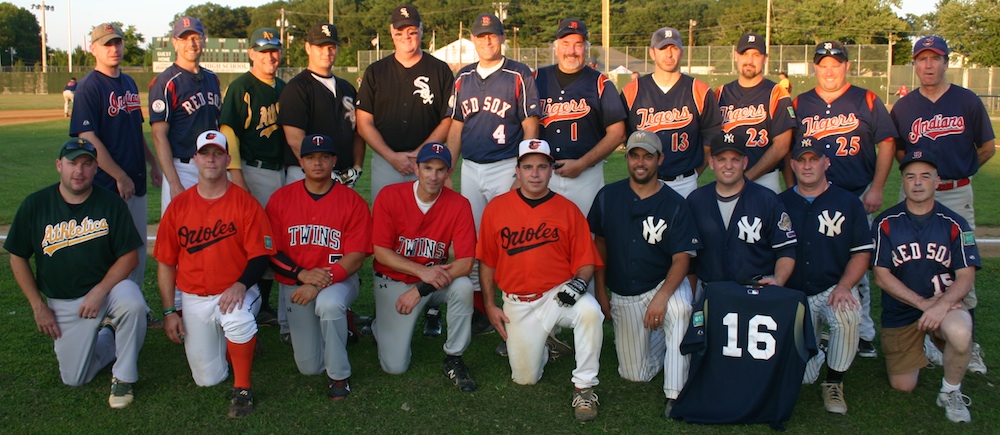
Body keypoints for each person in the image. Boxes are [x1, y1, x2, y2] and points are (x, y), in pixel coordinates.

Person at [6, 138, 146, 409]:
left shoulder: (110, 203)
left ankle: (124, 377)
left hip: (107, 291)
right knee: (75, 378)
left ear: (96, 169)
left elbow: (129, 256)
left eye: (87, 164)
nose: (79, 171)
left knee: (133, 303)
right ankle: (110, 335)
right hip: (65, 301)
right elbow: (18, 256)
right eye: (72, 163)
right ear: (59, 165)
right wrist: (38, 306)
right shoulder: (36, 205)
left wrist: (100, 291)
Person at [477, 138, 605, 422]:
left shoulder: (568, 210)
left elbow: (585, 261)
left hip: (557, 294)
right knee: (525, 379)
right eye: (528, 167)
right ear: (518, 171)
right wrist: (489, 305)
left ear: (551, 171)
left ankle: (584, 387)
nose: (535, 173)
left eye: (542, 167)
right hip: (516, 302)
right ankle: (545, 342)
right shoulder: (497, 209)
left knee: (589, 312)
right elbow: (486, 261)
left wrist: (580, 283)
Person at [890, 35, 994, 374]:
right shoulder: (904, 107)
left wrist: (962, 170)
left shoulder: (966, 100)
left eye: (935, 58)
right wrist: (920, 178)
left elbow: (988, 146)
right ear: (915, 64)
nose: (929, 65)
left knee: (961, 264)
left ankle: (968, 343)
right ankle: (914, 336)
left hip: (955, 192)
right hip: (915, 192)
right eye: (922, 59)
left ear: (947, 63)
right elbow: (901, 152)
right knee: (908, 262)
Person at [154, 130, 274, 418]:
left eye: (217, 153)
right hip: (194, 296)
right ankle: (233, 348)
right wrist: (171, 310)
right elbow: (166, 263)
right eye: (205, 153)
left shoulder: (244, 202)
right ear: (195, 159)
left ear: (227, 159)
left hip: (236, 289)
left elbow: (260, 255)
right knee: (207, 379)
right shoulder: (178, 206)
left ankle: (242, 388)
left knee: (238, 317)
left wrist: (241, 284)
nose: (211, 159)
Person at [792, 41, 897, 357]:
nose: (829, 70)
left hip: (856, 193)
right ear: (815, 68)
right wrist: (792, 189)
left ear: (846, 66)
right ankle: (818, 328)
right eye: (823, 64)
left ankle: (862, 332)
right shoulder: (800, 103)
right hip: (812, 196)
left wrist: (877, 187)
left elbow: (887, 142)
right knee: (813, 259)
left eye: (835, 64)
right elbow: (789, 149)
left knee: (858, 266)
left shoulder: (865, 98)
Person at [588, 130, 702, 417]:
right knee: (634, 374)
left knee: (678, 309)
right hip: (625, 292)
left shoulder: (675, 203)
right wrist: (601, 292)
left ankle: (676, 394)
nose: (641, 163)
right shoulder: (607, 196)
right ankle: (667, 341)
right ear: (626, 158)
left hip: (665, 284)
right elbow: (599, 245)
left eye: (648, 156)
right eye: (634, 156)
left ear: (659, 160)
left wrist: (663, 297)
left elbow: (682, 258)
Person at [445, 12, 540, 336]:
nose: (487, 40)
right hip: (471, 167)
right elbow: (456, 128)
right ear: (473, 39)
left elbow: (530, 126)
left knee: (510, 239)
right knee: (469, 240)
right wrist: (449, 169)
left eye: (493, 35)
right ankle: (479, 310)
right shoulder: (463, 76)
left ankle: (514, 307)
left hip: (504, 166)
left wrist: (522, 171)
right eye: (481, 35)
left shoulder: (518, 73)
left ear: (502, 38)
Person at [872, 149, 980, 423]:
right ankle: (929, 344)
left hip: (944, 306)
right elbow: (881, 276)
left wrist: (940, 306)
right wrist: (924, 306)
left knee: (959, 330)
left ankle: (950, 391)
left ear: (937, 180)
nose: (917, 183)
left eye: (925, 176)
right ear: (903, 182)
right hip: (902, 312)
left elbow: (966, 276)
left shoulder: (956, 223)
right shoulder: (885, 223)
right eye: (910, 177)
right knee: (903, 386)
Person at [266, 134, 372, 400]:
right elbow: (271, 251)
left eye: (324, 157)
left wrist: (316, 283)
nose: (317, 163)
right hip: (297, 282)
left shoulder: (352, 201)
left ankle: (339, 376)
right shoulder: (280, 199)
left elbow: (356, 256)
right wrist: (302, 276)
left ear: (334, 161)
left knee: (328, 304)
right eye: (311, 157)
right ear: (301, 162)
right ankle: (342, 327)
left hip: (338, 280)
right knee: (309, 366)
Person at [370, 143, 477, 391]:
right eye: (427, 168)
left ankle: (454, 356)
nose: (433, 175)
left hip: (431, 283)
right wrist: (422, 273)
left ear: (448, 173)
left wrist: (420, 288)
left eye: (440, 170)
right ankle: (381, 324)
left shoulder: (459, 204)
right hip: (394, 280)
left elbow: (465, 262)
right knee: (394, 366)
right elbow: (381, 252)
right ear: (416, 169)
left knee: (463, 286)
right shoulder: (390, 195)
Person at [778, 140, 871, 414]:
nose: (807, 166)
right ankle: (818, 345)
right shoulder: (779, 203)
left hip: (830, 289)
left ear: (826, 163)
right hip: (794, 296)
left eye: (813, 159)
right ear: (792, 165)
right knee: (804, 377)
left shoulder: (848, 202)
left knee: (847, 314)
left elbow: (861, 253)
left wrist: (844, 286)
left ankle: (834, 383)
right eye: (801, 161)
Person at [70, 23, 162, 290]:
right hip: (110, 185)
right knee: (112, 251)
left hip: (136, 179)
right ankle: (111, 311)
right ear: (93, 49)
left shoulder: (129, 82)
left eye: (117, 43)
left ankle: (135, 307)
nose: (114, 49)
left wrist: (153, 162)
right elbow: (88, 138)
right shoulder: (89, 87)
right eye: (107, 44)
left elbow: (136, 130)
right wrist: (119, 176)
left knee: (137, 247)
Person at [220, 27, 286, 328]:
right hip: (253, 169)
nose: (270, 56)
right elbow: (228, 132)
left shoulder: (284, 87)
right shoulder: (241, 86)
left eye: (274, 50)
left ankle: (267, 305)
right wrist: (237, 176)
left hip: (282, 172)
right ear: (251, 54)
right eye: (263, 51)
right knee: (256, 239)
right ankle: (254, 303)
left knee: (276, 236)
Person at [358, 4, 455, 201]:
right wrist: (391, 157)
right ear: (392, 32)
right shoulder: (376, 71)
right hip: (386, 161)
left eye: (412, 31)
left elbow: (448, 120)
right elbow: (363, 122)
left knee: (428, 223)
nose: (406, 37)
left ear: (421, 30)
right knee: (385, 222)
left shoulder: (440, 70)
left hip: (428, 162)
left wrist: (421, 153)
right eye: (400, 31)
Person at [536, 18, 627, 214]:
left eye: (578, 45)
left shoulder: (601, 83)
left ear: (586, 48)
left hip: (586, 176)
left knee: (587, 236)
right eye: (566, 44)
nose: (571, 51)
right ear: (556, 47)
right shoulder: (536, 78)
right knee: (544, 236)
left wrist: (582, 163)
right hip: (544, 175)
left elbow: (618, 133)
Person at [621, 26, 721, 198]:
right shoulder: (632, 90)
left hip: (685, 182)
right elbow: (622, 135)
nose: (669, 54)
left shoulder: (699, 90)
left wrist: (696, 172)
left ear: (682, 52)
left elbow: (711, 137)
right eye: (663, 49)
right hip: (644, 182)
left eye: (674, 48)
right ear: (652, 53)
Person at [687, 133, 796, 286]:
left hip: (756, 291)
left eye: (735, 160)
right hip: (710, 292)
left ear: (745, 163)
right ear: (711, 162)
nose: (728, 166)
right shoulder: (696, 200)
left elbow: (786, 249)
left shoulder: (767, 199)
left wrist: (778, 280)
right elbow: (690, 259)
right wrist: (693, 299)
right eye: (721, 160)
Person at [149, 16, 221, 215]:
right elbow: (158, 135)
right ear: (175, 42)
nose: (191, 43)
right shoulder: (166, 82)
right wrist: (174, 182)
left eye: (196, 37)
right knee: (181, 232)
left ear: (204, 40)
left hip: (212, 164)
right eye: (184, 38)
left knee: (214, 230)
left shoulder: (212, 79)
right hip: (182, 167)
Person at [278, 23, 364, 187]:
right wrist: (324, 171)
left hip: (343, 175)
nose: (327, 52)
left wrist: (357, 167)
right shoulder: (297, 88)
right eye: (320, 46)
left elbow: (358, 133)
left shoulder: (347, 88)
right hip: (305, 174)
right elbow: (295, 139)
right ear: (308, 48)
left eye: (331, 47)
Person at [716, 32, 795, 193]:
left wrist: (746, 178)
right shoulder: (720, 93)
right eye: (744, 54)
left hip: (765, 180)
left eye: (756, 55)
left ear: (765, 58)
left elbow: (782, 145)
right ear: (736, 56)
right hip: (727, 179)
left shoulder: (777, 93)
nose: (749, 60)